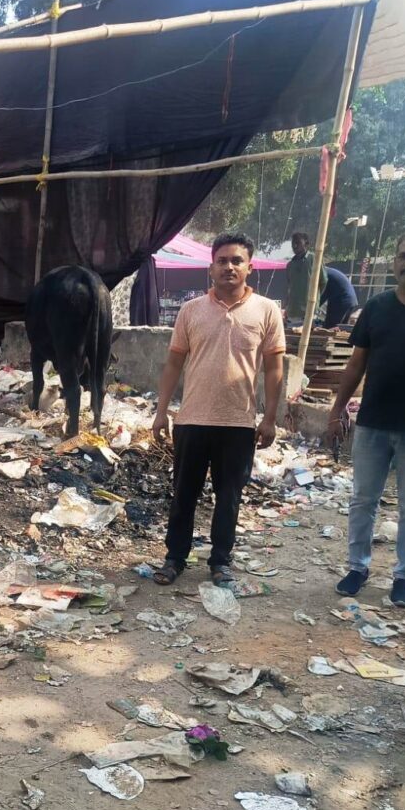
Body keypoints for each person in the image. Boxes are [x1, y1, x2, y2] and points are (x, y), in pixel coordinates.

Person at [151, 231, 285, 586]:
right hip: (192, 419)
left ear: (250, 268)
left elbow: (274, 369)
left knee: (229, 498)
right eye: (222, 261)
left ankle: (220, 561)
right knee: (184, 495)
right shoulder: (191, 310)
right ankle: (174, 559)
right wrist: (161, 412)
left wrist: (270, 418)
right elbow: (173, 364)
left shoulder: (267, 311)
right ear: (211, 268)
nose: (229, 267)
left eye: (237, 261)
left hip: (238, 423)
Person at [326, 231, 405, 607]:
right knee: (363, 500)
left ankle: (404, 575)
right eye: (404, 255)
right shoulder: (377, 307)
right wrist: (337, 410)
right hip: (373, 422)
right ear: (395, 262)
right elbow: (355, 365)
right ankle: (357, 567)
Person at [285, 231, 327, 327]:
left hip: (309, 311)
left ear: (306, 244)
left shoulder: (315, 259)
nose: (295, 246)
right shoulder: (290, 265)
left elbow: (323, 282)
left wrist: (315, 298)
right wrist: (286, 307)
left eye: (298, 243)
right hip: (293, 312)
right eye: (293, 243)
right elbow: (289, 288)